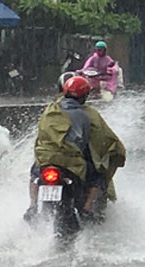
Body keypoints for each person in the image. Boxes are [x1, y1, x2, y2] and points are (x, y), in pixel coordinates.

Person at [24, 74, 126, 222]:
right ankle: (87, 209)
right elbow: (95, 140)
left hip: (46, 159)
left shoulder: (49, 110)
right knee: (99, 176)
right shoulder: (86, 114)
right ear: (85, 96)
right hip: (71, 163)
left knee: (34, 174)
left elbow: (41, 135)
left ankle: (32, 207)